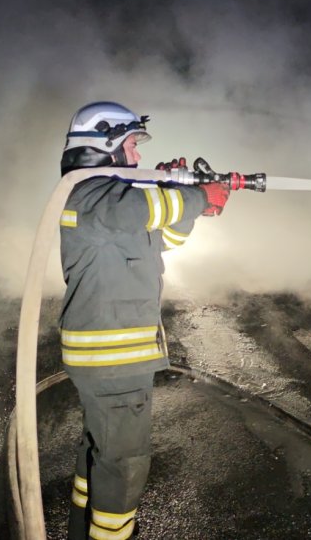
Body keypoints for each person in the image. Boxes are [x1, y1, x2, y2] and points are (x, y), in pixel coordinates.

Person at [57, 101, 230, 540]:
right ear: (107, 144)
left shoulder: (112, 200)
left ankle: (82, 530)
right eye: (132, 145)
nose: (137, 157)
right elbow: (142, 211)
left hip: (112, 363)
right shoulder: (92, 195)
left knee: (99, 456)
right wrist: (195, 194)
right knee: (123, 466)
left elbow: (165, 236)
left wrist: (183, 199)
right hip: (112, 362)